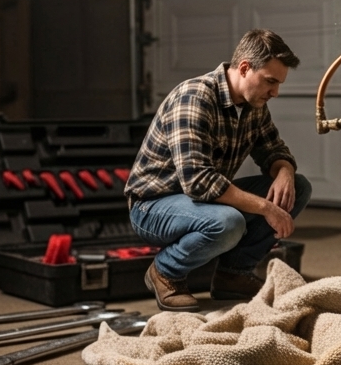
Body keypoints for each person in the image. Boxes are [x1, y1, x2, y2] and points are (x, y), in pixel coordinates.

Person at [124, 29, 312, 311]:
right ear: (245, 68)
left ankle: (233, 275)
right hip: (153, 207)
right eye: (270, 81)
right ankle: (165, 272)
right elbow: (198, 182)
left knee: (299, 186)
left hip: (202, 201)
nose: (276, 92)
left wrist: (284, 171)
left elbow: (274, 150)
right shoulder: (194, 98)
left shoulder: (254, 104)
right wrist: (265, 207)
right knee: (228, 222)